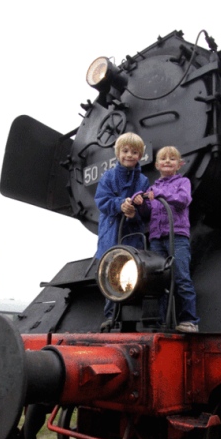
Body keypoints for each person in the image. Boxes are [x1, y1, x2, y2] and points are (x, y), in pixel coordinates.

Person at [133, 146, 200, 333]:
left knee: (181, 277)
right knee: (159, 280)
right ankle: (161, 321)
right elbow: (147, 212)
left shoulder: (183, 182)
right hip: (156, 238)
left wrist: (162, 195)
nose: (168, 161)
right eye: (163, 159)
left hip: (176, 236)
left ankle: (189, 320)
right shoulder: (152, 188)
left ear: (179, 164)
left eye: (172, 159)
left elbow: (183, 200)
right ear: (157, 165)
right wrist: (140, 202)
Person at [95, 132, 150, 320]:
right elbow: (102, 201)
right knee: (111, 274)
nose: (129, 155)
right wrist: (120, 204)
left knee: (135, 274)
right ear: (118, 153)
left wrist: (135, 213)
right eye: (125, 151)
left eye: (134, 152)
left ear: (140, 155)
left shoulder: (143, 181)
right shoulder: (108, 177)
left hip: (133, 234)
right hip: (111, 233)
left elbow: (147, 211)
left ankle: (132, 317)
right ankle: (111, 317)